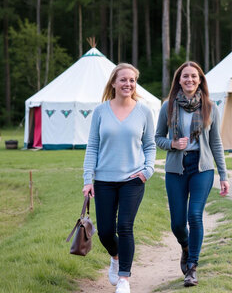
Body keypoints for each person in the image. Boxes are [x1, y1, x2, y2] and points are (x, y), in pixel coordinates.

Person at [83, 63, 156, 293]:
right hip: (104, 180)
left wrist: (147, 171)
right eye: (123, 79)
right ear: (113, 82)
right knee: (105, 231)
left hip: (133, 179)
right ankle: (115, 257)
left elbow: (150, 145)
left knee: (124, 226)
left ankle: (124, 278)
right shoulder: (100, 111)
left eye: (132, 80)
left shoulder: (144, 111)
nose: (128, 84)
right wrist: (88, 179)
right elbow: (92, 146)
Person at [155, 61, 230, 287]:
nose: (189, 80)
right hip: (176, 168)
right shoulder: (168, 106)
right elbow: (157, 138)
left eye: (194, 77)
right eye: (185, 76)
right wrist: (173, 144)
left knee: (194, 215)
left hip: (201, 168)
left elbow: (216, 143)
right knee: (178, 223)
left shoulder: (209, 106)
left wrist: (224, 176)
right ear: (179, 80)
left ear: (200, 80)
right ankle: (186, 247)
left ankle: (192, 268)